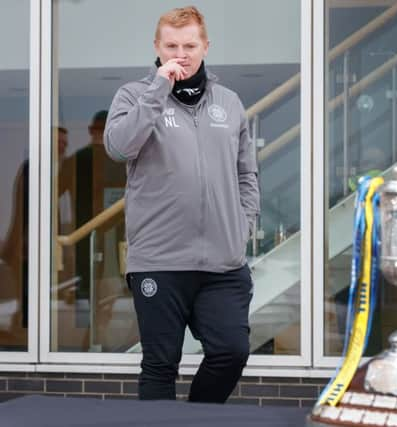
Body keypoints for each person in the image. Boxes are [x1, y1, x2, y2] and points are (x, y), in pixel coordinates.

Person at [103, 6, 259, 402]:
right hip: (159, 261)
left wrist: (244, 226)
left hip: (223, 264)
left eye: (190, 45)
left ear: (206, 46)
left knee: (231, 351)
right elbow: (119, 147)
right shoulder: (134, 96)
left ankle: (196, 418)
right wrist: (158, 89)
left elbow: (247, 174)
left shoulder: (229, 102)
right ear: (157, 47)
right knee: (160, 363)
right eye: (171, 45)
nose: (181, 53)